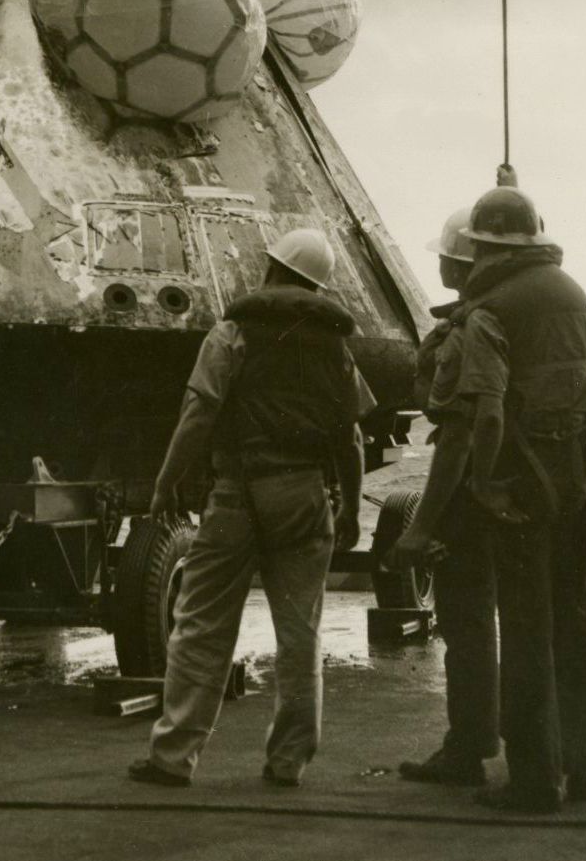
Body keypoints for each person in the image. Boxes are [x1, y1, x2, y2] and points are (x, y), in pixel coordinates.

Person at [127, 229, 370, 790]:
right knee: (300, 634)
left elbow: (198, 414)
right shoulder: (336, 346)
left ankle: (173, 758)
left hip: (237, 495)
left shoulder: (232, 330)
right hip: (307, 497)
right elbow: (351, 440)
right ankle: (288, 763)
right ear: (316, 285)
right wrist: (354, 509)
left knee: (201, 626)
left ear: (270, 270)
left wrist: (165, 485)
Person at [452, 186, 586, 812]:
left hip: (519, 494)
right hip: (579, 487)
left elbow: (488, 413)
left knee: (523, 631)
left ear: (482, 245)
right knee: (575, 624)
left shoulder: (493, 307)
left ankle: (534, 780)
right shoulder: (577, 297)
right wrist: (584, 478)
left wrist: (486, 482)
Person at [392, 207, 499, 786]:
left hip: (470, 495)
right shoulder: (488, 321)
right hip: (517, 486)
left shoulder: (464, 330)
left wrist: (421, 525)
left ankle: (468, 748)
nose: (437, 263)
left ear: (461, 263)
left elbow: (453, 435)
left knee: (466, 621)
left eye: (445, 256)